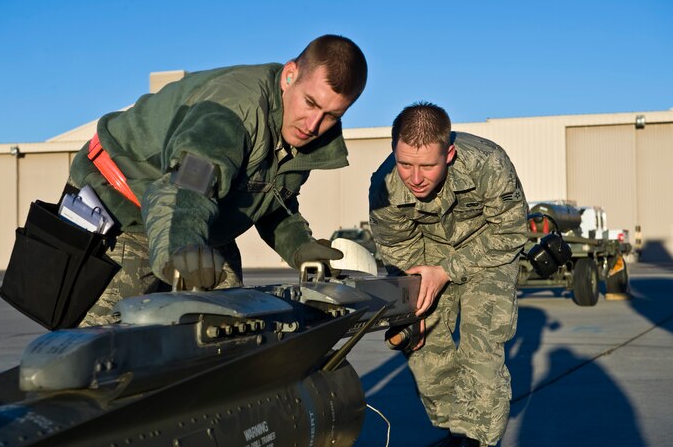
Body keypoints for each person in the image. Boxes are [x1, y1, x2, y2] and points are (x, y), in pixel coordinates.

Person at [69, 34, 367, 326]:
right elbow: (188, 184)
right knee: (107, 346)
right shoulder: (233, 112)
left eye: (331, 115)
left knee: (233, 328)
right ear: (290, 75)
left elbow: (270, 201)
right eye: (310, 103)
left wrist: (301, 247)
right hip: (124, 205)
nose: (314, 125)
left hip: (202, 218)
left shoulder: (299, 136)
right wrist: (182, 247)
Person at [368, 103, 527, 447]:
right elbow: (397, 250)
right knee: (424, 344)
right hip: (427, 255)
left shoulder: (489, 163)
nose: (415, 177)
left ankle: (476, 437)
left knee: (481, 341)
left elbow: (512, 233)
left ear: (449, 154)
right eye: (405, 163)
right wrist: (410, 305)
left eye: (427, 166)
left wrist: (447, 270)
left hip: (488, 252)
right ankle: (453, 427)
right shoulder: (384, 186)